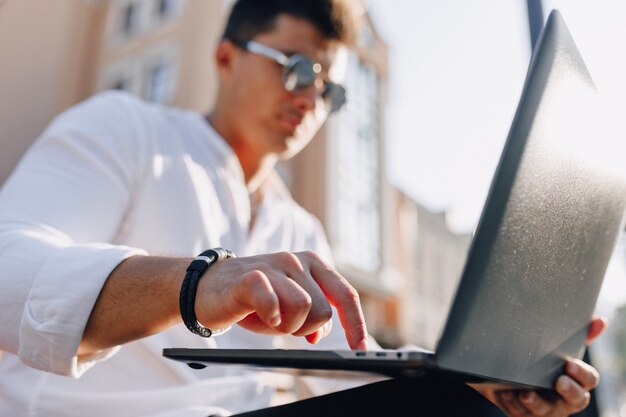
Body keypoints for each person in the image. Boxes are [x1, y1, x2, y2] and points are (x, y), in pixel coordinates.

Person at [0, 0, 605, 416]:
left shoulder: (298, 226)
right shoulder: (124, 128)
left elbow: (347, 372)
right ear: (225, 57)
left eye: (329, 87)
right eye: (297, 68)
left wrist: (492, 391)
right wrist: (197, 282)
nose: (311, 97)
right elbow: (8, 267)